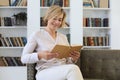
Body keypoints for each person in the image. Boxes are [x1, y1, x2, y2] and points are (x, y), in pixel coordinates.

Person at [21, 5, 84, 80]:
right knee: (73, 69)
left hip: (62, 69)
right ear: (48, 17)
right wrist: (40, 55)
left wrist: (73, 59)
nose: (57, 22)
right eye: (54, 18)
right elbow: (23, 58)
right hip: (45, 71)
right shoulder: (37, 35)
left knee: (73, 69)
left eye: (60, 20)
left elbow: (68, 62)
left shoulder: (63, 37)